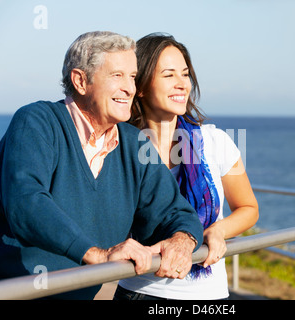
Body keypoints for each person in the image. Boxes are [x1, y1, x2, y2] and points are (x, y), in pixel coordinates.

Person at [0, 31, 204, 300]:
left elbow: (175, 211)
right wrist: (97, 255)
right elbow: (26, 202)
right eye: (117, 76)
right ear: (80, 81)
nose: (130, 88)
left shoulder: (135, 144)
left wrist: (182, 240)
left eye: (132, 76)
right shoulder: (36, 121)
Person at [115, 33, 259, 300]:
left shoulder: (217, 142)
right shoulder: (119, 146)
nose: (182, 84)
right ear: (142, 85)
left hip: (206, 294)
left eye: (185, 74)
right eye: (169, 75)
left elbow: (248, 208)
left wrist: (218, 230)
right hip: (137, 290)